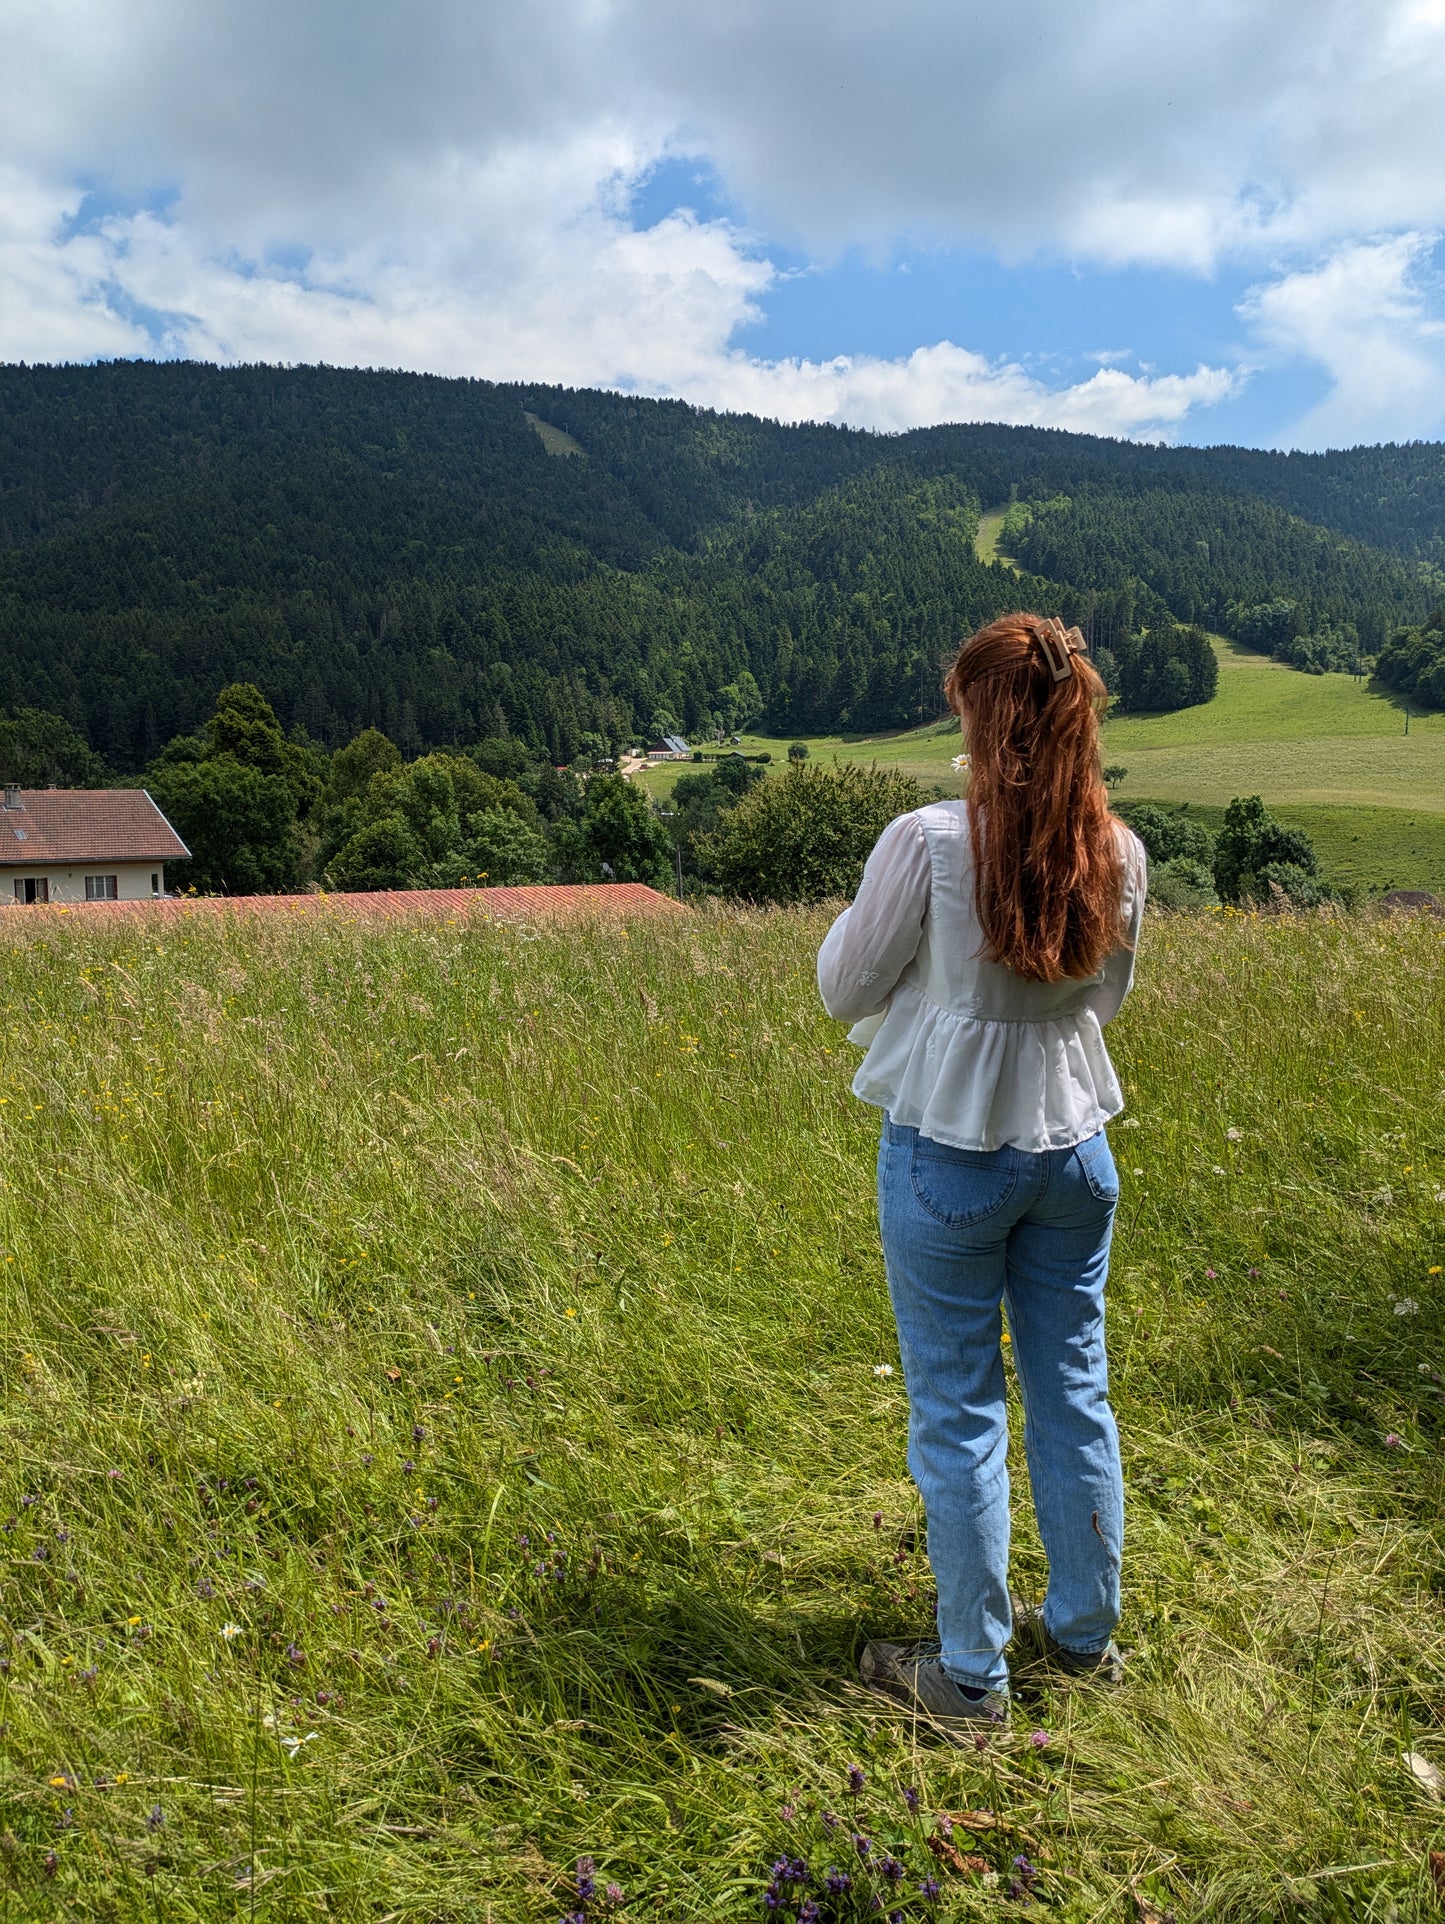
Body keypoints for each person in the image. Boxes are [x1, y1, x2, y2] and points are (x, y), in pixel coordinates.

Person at [817, 612, 1147, 1728]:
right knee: (1073, 1391)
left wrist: (865, 938)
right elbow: (1102, 1001)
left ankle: (968, 1674)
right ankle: (1085, 1638)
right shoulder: (1119, 848)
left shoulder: (924, 839)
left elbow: (844, 990)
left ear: (979, 711)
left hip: (946, 1155)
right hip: (1074, 1148)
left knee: (956, 1409)